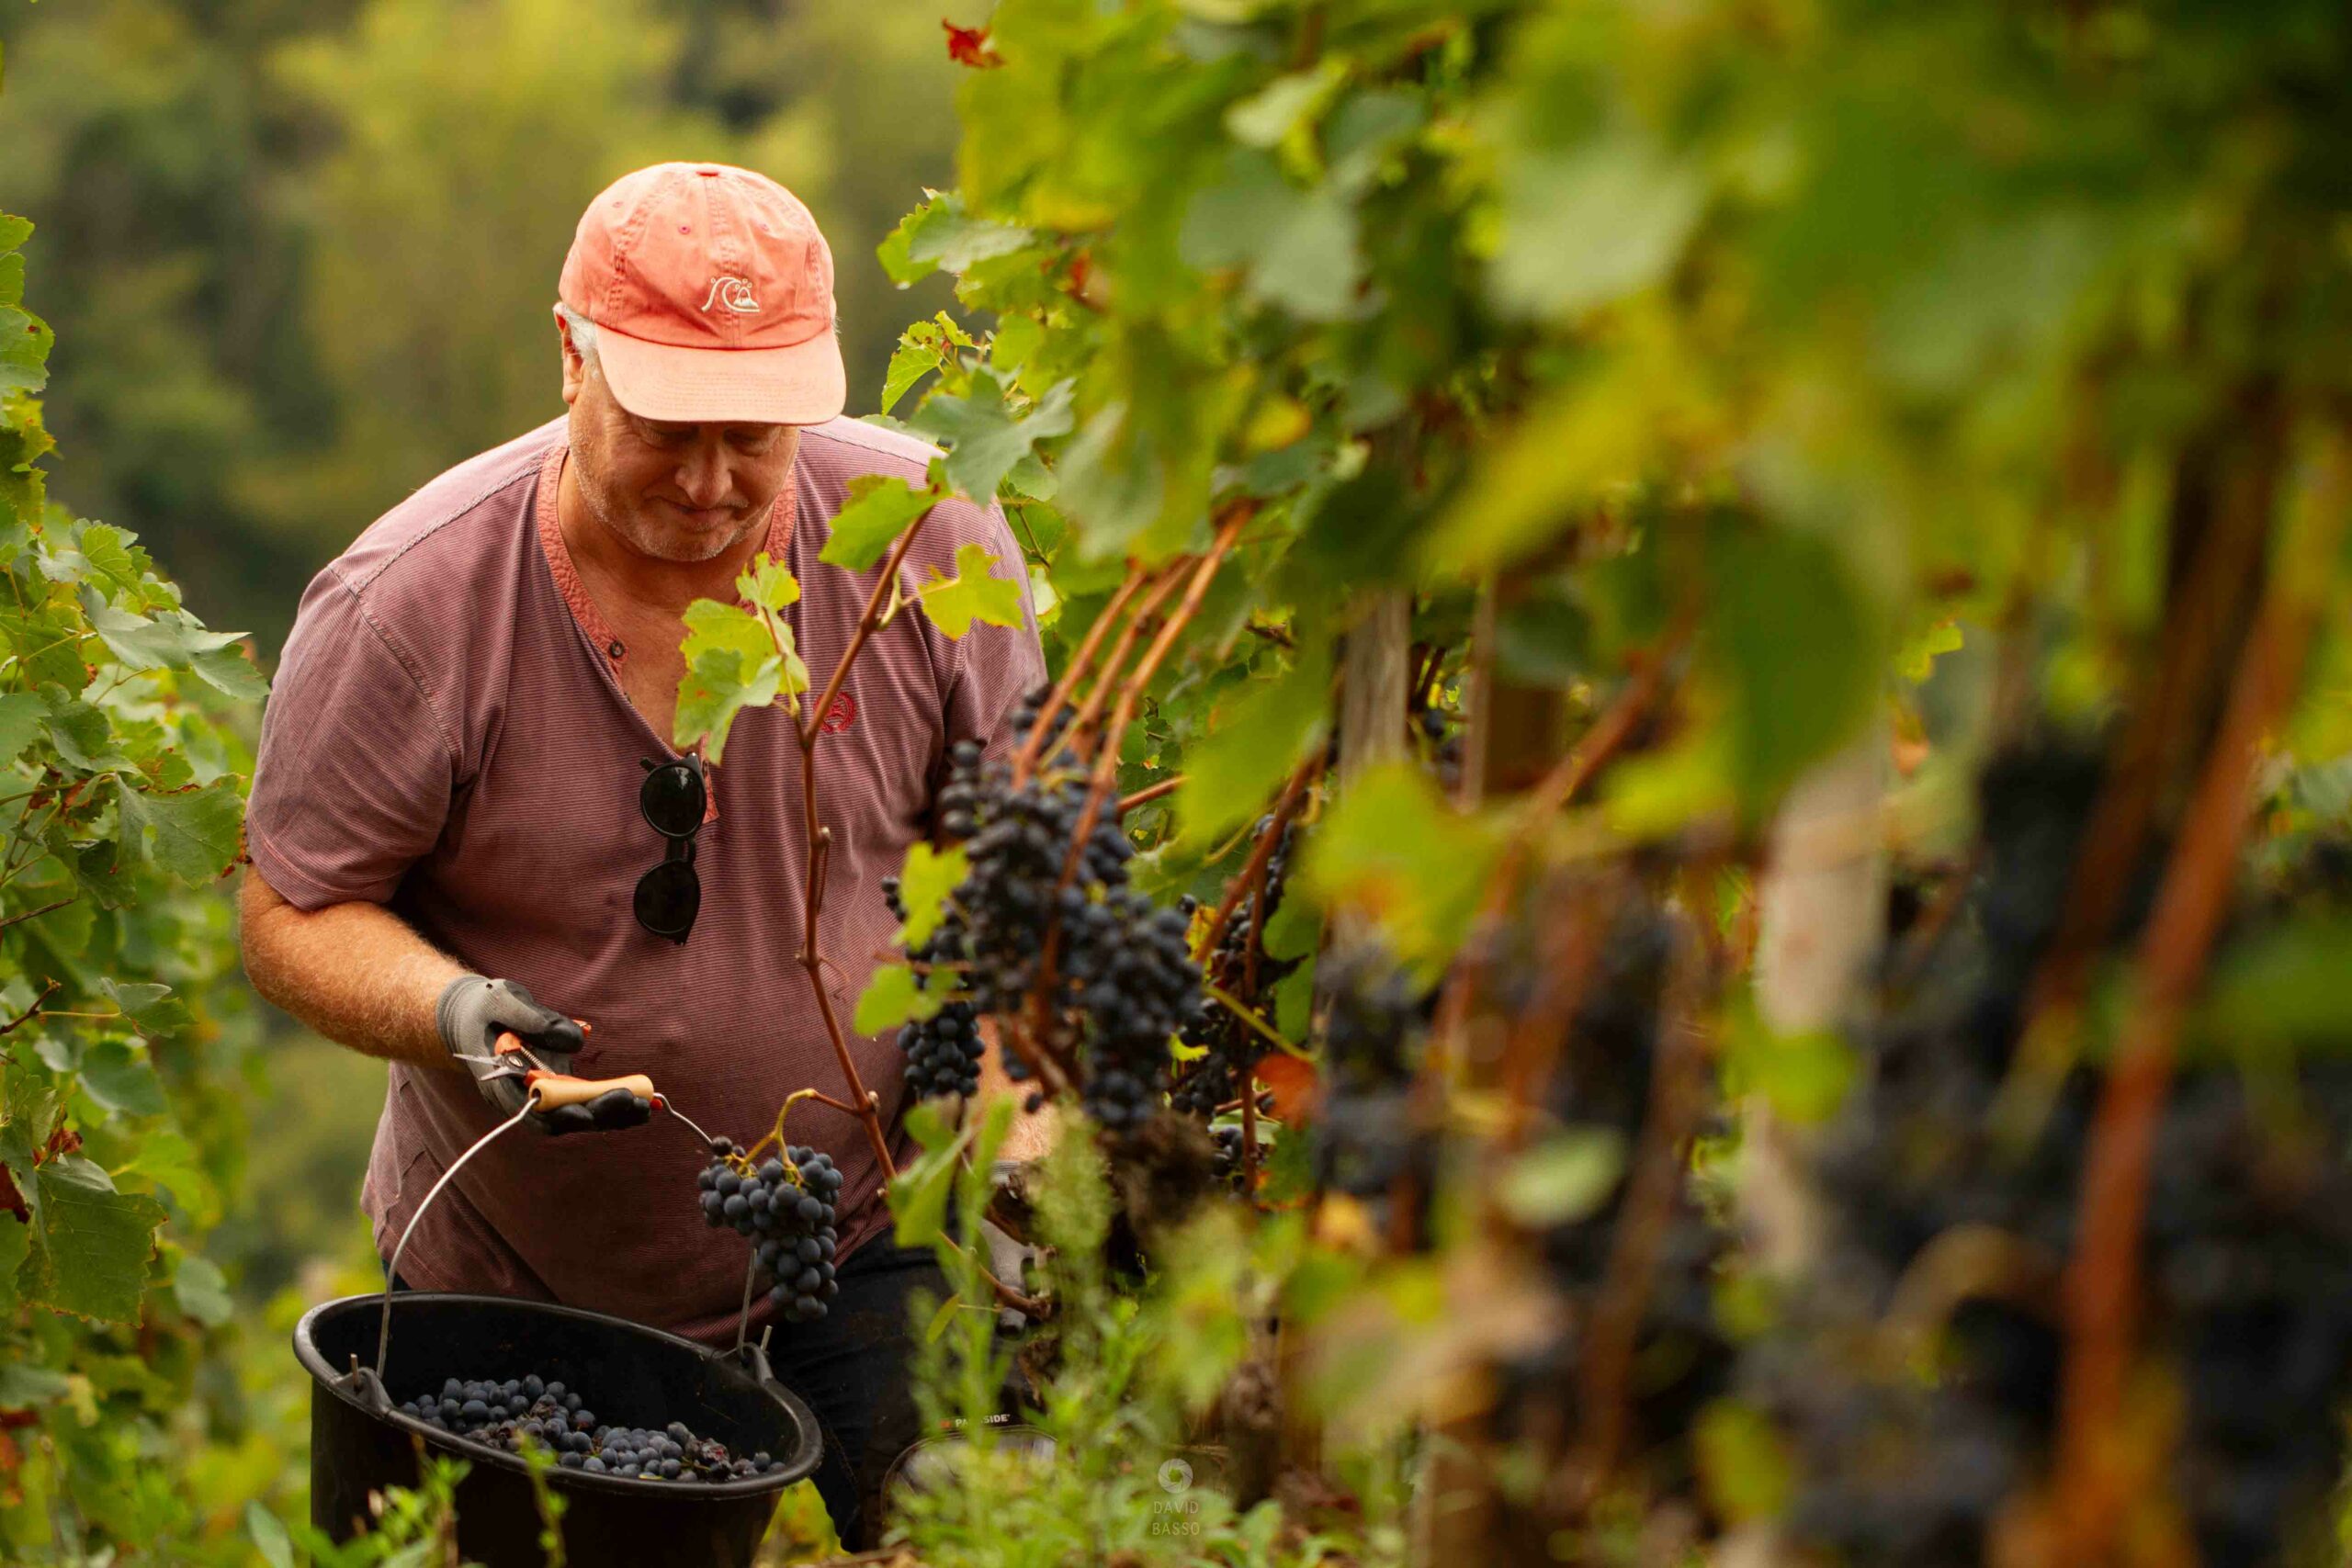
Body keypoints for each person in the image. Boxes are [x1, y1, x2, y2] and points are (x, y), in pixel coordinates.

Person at [238, 162, 1046, 1547]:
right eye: (671, 430)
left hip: (849, 1230)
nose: (715, 482)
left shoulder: (927, 541)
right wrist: (452, 1015)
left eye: (759, 433)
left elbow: (1019, 871)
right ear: (571, 356)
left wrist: (1023, 1112)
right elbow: (293, 913)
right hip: (511, 1271)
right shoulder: (410, 606)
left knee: (964, 1538)